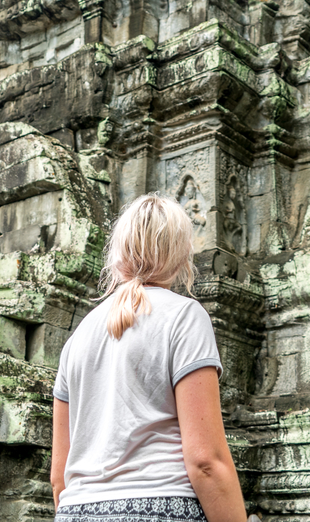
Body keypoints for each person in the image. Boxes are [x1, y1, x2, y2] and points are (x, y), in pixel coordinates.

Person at [51, 194, 250, 522]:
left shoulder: (78, 338)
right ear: (182, 254)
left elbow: (59, 477)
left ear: (119, 252)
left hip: (77, 510)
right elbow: (205, 463)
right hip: (159, 506)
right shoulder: (184, 317)